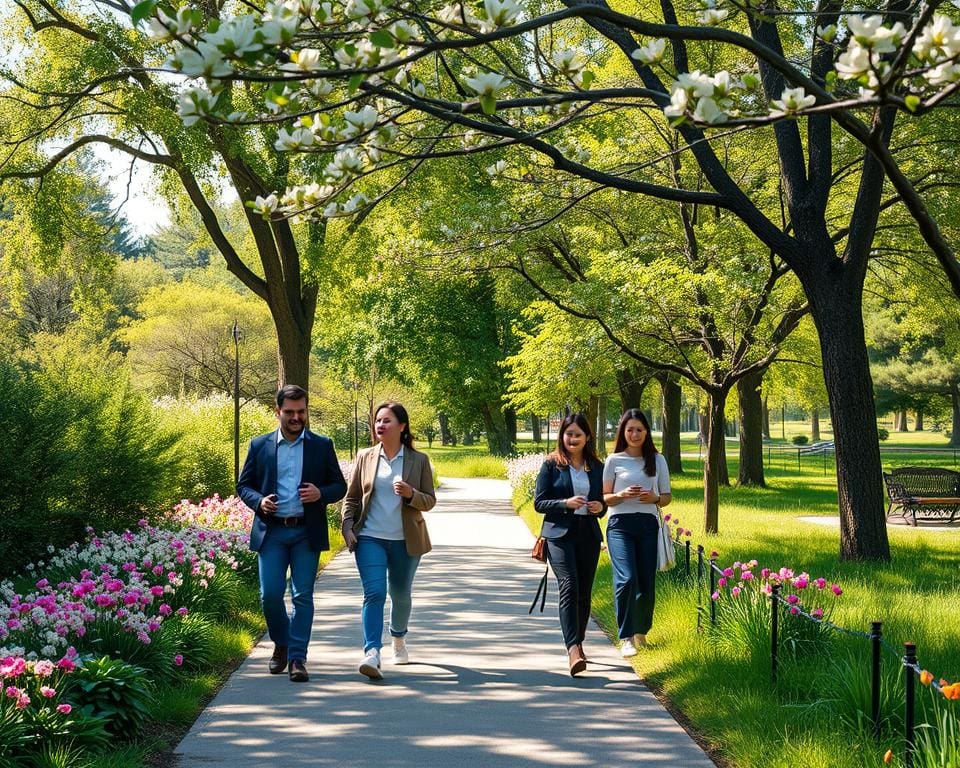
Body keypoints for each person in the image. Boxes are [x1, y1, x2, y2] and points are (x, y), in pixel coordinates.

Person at [237, 384, 347, 683]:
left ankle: (298, 658)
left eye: (301, 412)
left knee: (302, 596)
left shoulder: (322, 445)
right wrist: (259, 502)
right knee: (270, 595)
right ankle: (282, 644)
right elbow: (243, 485)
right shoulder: (259, 446)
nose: (296, 417)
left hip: (305, 533)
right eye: (290, 412)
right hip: (272, 532)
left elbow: (340, 486)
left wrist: (320, 493)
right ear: (278, 412)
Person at [341, 402, 436, 680]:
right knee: (374, 594)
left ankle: (398, 638)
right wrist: (347, 527)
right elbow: (353, 496)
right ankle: (372, 652)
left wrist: (410, 494)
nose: (380, 425)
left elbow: (429, 500)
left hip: (405, 540)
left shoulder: (418, 460)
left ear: (402, 426)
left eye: (386, 420)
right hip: (369, 537)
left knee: (400, 595)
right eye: (377, 421)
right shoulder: (365, 457)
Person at [534, 413, 606, 676]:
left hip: (588, 533)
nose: (572, 439)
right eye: (568, 434)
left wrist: (601, 507)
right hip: (559, 534)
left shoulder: (597, 466)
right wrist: (565, 503)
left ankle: (580, 642)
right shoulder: (552, 465)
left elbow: (602, 500)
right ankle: (573, 648)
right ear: (561, 437)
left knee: (584, 591)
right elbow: (539, 502)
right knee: (569, 585)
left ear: (587, 437)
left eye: (577, 434)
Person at [602, 408, 672, 658]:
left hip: (647, 526)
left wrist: (654, 498)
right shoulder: (614, 460)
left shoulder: (658, 459)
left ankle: (642, 630)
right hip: (620, 525)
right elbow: (605, 499)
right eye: (630, 429)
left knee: (645, 583)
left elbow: (666, 498)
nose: (634, 434)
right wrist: (621, 496)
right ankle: (626, 636)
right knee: (627, 579)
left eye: (639, 430)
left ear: (646, 432)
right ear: (623, 431)